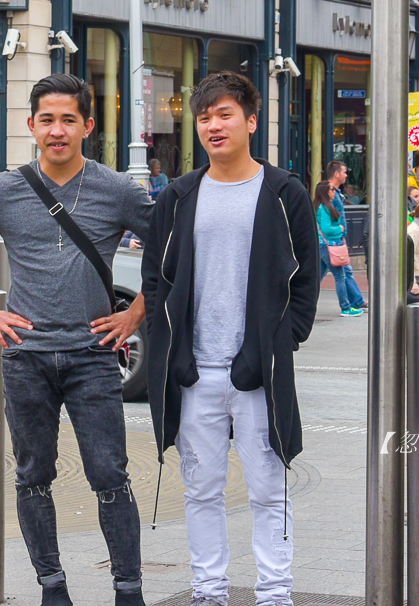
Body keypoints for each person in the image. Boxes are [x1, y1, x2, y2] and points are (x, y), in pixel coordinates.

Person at [0, 73, 152, 606]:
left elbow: (172, 251)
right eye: (47, 120)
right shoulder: (6, 189)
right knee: (34, 474)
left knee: (109, 474)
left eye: (68, 120)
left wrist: (135, 316)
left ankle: (129, 590)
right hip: (26, 357)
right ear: (31, 126)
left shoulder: (117, 189)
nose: (58, 131)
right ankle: (52, 588)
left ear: (88, 126)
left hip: (93, 357)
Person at [143, 72, 317, 606]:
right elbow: (156, 281)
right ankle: (209, 590)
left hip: (258, 373)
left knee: (269, 488)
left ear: (251, 121)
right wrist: (172, 352)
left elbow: (306, 281)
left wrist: (278, 343)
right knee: (200, 491)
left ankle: (274, 593)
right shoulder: (179, 195)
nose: (213, 126)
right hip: (196, 373)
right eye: (204, 117)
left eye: (225, 115)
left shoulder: (284, 191)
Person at [314, 180, 363, 317]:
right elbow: (327, 229)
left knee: (318, 277)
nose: (334, 192)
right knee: (340, 277)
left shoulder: (323, 207)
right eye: (331, 190)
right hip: (329, 246)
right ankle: (345, 308)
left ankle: (307, 305)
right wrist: (340, 229)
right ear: (325, 192)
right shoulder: (323, 208)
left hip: (325, 246)